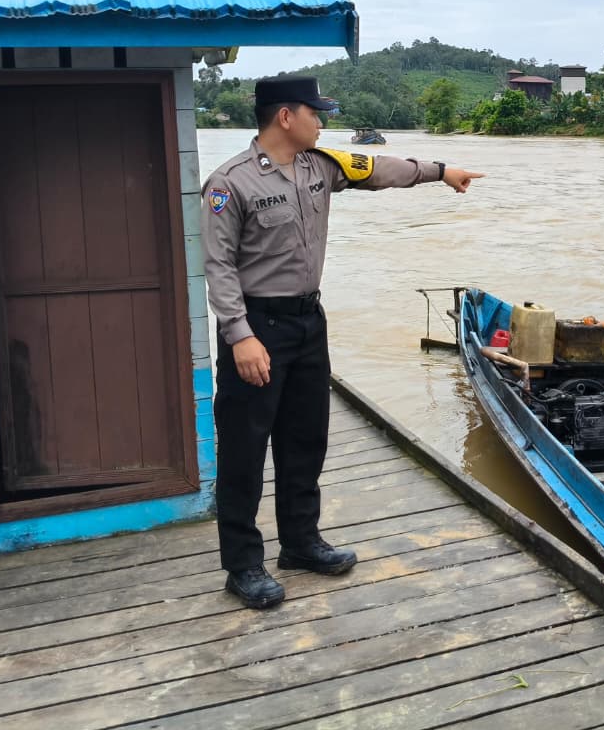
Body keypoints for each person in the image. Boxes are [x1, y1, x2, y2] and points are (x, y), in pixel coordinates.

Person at [201, 75, 483, 609]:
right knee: (243, 448)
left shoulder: (319, 166)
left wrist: (442, 173)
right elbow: (218, 268)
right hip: (257, 327)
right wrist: (239, 337)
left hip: (309, 321)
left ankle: (301, 544)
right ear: (286, 116)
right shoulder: (229, 183)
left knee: (306, 438)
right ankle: (243, 564)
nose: (323, 122)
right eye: (316, 113)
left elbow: (379, 169)